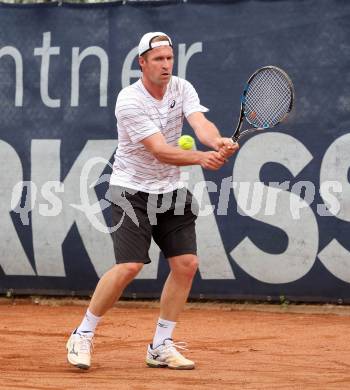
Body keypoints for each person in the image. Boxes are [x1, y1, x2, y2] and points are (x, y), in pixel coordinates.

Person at [66, 31, 239, 371]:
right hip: (130, 191)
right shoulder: (129, 101)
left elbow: (200, 124)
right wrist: (203, 159)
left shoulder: (181, 87)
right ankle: (82, 333)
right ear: (141, 62)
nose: (165, 65)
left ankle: (161, 344)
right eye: (158, 59)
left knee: (186, 264)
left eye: (169, 58)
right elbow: (159, 150)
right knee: (130, 266)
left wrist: (216, 140)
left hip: (170, 192)